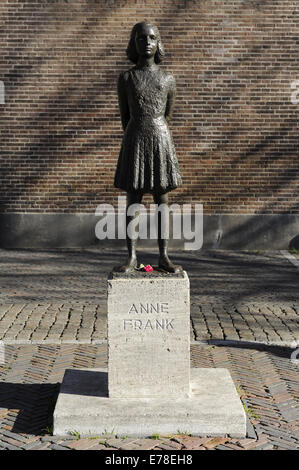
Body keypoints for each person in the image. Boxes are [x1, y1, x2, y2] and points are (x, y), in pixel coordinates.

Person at [114, 21, 182, 273]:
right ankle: (131, 256)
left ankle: (164, 256)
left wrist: (154, 130)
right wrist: (137, 133)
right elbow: (125, 116)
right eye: (142, 38)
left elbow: (167, 114)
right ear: (134, 43)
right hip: (135, 137)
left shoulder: (167, 78)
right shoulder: (126, 78)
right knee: (133, 199)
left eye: (152, 38)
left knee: (161, 199)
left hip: (160, 138)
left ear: (158, 42)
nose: (147, 42)